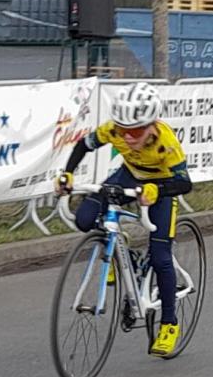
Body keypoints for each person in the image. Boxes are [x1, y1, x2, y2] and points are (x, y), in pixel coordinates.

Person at [54, 82, 192, 358]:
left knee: (161, 256)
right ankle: (118, 249)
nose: (128, 137)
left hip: (162, 186)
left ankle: (168, 323)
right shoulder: (114, 129)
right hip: (129, 174)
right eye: (124, 130)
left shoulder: (167, 143)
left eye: (137, 131)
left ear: (152, 125)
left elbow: (185, 184)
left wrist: (158, 190)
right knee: (84, 219)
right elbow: (83, 145)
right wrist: (67, 173)